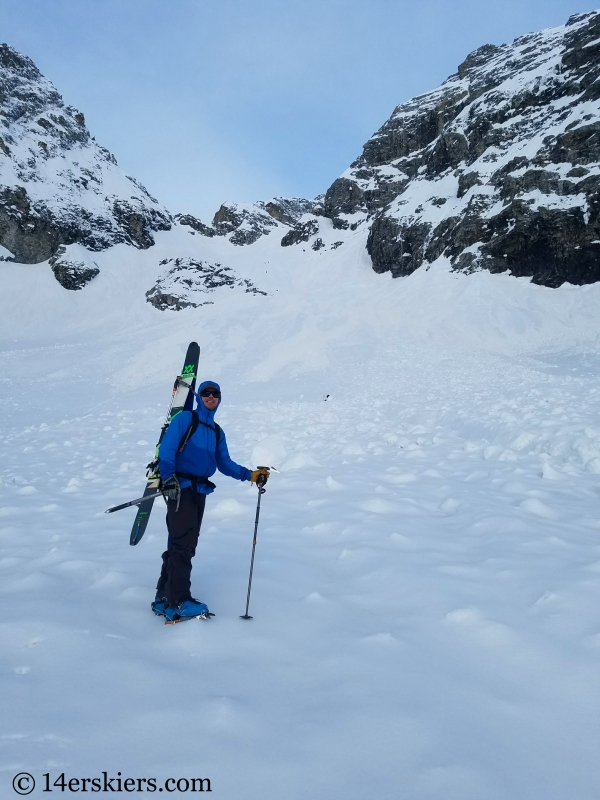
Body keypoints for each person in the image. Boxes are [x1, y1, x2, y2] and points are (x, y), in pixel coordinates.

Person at [151, 380, 269, 623]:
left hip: (199, 490)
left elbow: (224, 463)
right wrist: (169, 478)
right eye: (206, 393)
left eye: (215, 393)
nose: (211, 397)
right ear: (199, 397)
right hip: (180, 488)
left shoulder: (216, 431)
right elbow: (167, 450)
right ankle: (179, 600)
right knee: (183, 544)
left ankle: (164, 598)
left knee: (180, 543)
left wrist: (251, 475)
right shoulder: (185, 420)